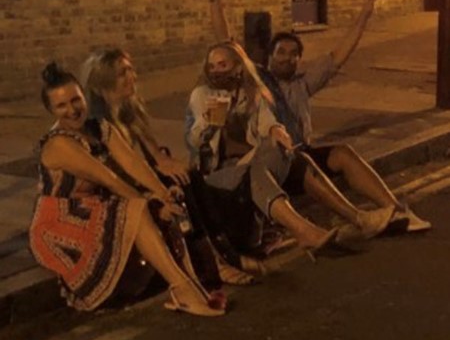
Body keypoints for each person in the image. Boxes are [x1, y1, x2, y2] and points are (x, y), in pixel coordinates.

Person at [208, 0, 430, 234]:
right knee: (303, 158)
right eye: (281, 52)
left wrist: (364, 16)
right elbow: (226, 42)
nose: (287, 58)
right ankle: (358, 219)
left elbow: (339, 56)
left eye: (293, 54)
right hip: (275, 160)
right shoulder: (256, 79)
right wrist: (215, 1)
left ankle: (397, 211)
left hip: (302, 154)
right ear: (269, 56)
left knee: (342, 153)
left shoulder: (302, 84)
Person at [29, 62, 225, 316]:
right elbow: (110, 179)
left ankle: (200, 279)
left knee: (172, 196)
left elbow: (134, 163)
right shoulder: (58, 144)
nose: (72, 110)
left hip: (94, 207)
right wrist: (153, 203)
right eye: (61, 106)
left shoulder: (99, 127)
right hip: (60, 221)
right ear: (51, 111)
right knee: (138, 209)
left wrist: (163, 194)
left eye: (75, 100)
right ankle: (182, 288)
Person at [185, 40, 384, 260]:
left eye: (222, 65)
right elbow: (195, 142)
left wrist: (277, 131)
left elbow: (267, 123)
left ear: (238, 66)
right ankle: (304, 231)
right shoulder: (203, 95)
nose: (216, 71)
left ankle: (357, 218)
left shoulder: (251, 92)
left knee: (297, 159)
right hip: (220, 174)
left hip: (252, 162)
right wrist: (212, 121)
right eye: (211, 66)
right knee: (255, 171)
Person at [80, 49, 258, 283]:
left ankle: (223, 254)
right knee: (179, 188)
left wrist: (166, 163)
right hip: (120, 191)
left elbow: (156, 155)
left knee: (187, 177)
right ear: (104, 82)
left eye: (131, 69)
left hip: (213, 163)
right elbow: (197, 140)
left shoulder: (128, 109)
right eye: (123, 73)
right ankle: (214, 262)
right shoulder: (99, 126)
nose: (132, 76)